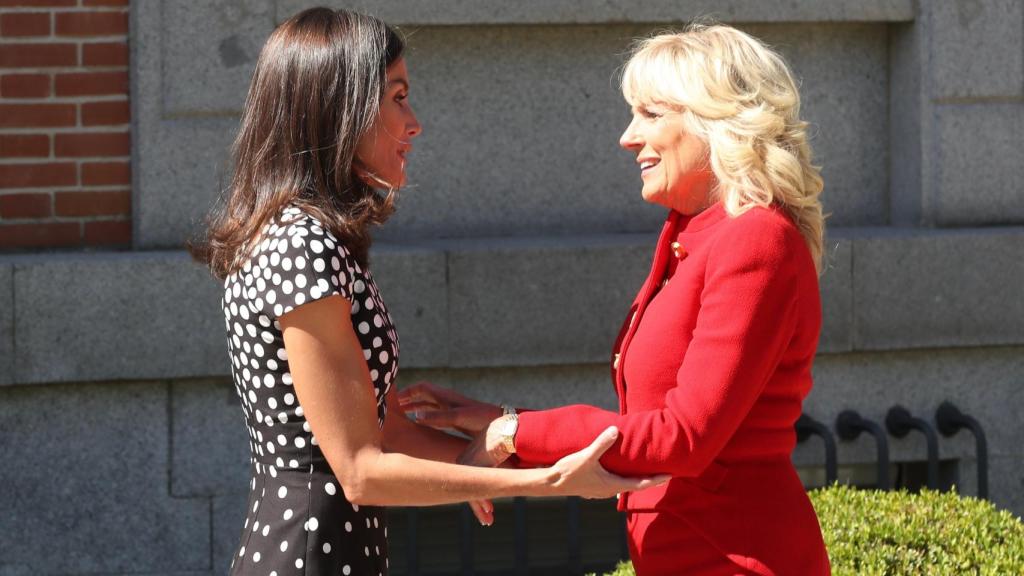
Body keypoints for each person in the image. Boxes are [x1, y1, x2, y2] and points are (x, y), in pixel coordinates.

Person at [189, 7, 666, 576]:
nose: (413, 123)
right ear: (340, 108)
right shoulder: (301, 245)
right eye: (397, 97)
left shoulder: (307, 238)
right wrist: (546, 481)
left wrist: (508, 455)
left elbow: (387, 431)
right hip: (309, 553)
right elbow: (360, 470)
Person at [401, 24, 831, 575]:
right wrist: (503, 421)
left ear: (716, 120)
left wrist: (513, 435)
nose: (629, 137)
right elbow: (646, 424)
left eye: (651, 114)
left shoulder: (755, 238)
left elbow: (683, 437)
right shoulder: (697, 232)